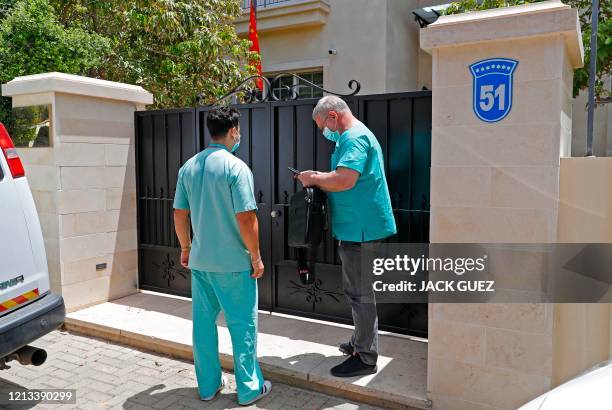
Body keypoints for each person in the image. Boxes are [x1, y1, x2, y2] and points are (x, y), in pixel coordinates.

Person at [173, 107, 272, 405]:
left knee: (203, 326)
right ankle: (249, 389)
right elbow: (246, 218)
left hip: (201, 263)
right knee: (242, 326)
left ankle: (207, 387)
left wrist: (186, 248)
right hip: (233, 265)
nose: (239, 134)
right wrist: (255, 256)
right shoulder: (236, 168)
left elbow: (179, 213)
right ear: (232, 131)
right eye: (238, 129)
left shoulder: (188, 167)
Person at [297, 96, 396, 377]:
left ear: (332, 116)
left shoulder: (354, 138)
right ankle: (359, 342)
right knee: (358, 291)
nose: (322, 132)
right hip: (356, 225)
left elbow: (344, 180)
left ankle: (365, 357)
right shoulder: (349, 138)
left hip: (361, 228)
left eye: (321, 126)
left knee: (360, 293)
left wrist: (313, 177)